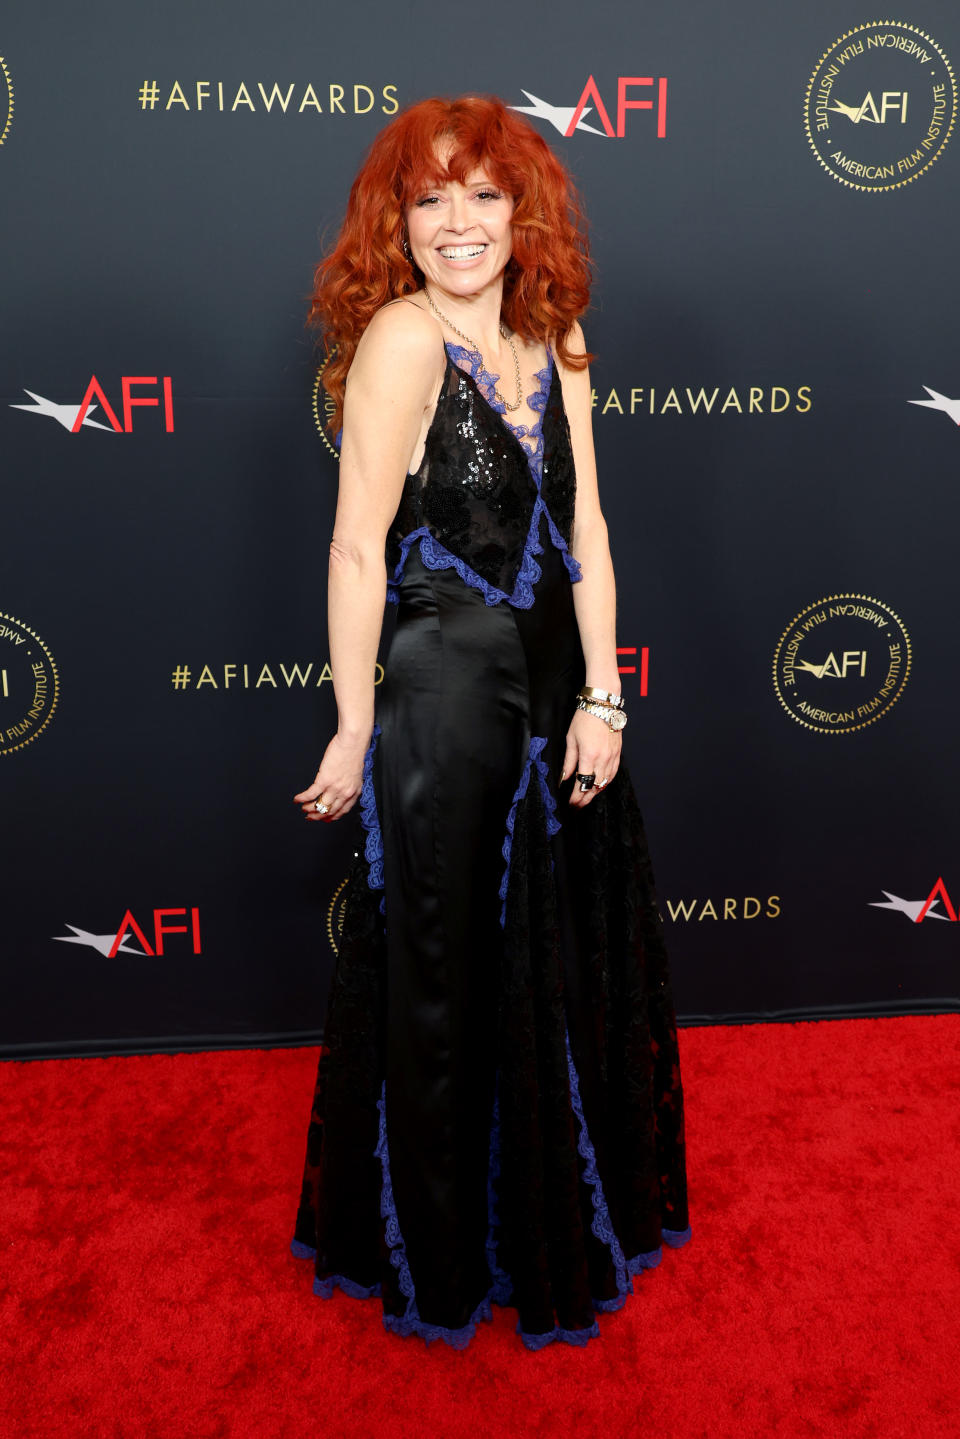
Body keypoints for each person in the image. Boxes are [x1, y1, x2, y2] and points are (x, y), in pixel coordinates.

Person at [290, 94, 690, 1351]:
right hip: (446, 702)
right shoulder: (400, 344)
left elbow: (593, 533)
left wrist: (606, 691)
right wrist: (356, 727)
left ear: (525, 209)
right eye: (429, 200)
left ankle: (552, 1225)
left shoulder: (557, 331)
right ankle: (453, 1252)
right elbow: (358, 547)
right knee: (451, 982)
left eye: (482, 196)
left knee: (553, 958)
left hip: (554, 692)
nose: (459, 224)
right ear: (395, 223)